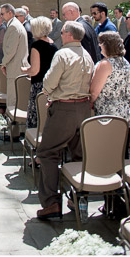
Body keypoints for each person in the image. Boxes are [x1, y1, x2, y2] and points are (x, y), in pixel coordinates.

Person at [36, 21, 94, 220]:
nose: (60, 35)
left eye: (61, 32)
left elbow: (50, 81)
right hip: (84, 109)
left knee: (47, 152)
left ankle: (51, 202)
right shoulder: (87, 55)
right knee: (78, 154)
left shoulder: (62, 54)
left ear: (69, 34)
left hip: (65, 108)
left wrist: (48, 92)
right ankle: (78, 198)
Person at [90, 31, 130, 128]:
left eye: (101, 43)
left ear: (106, 45)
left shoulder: (105, 64)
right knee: (123, 143)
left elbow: (94, 92)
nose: (99, 46)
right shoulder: (125, 62)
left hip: (109, 115)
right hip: (127, 113)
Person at [0, 3, 30, 139]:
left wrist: (4, 63)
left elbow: (10, 49)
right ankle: (16, 131)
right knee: (17, 99)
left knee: (13, 100)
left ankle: (14, 134)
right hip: (18, 67)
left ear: (10, 13)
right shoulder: (16, 25)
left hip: (15, 68)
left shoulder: (13, 27)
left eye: (2, 13)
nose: (1, 16)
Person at [26, 17, 57, 130]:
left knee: (35, 114)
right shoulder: (53, 44)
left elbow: (34, 70)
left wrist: (24, 70)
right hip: (50, 85)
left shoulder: (37, 45)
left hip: (38, 84)